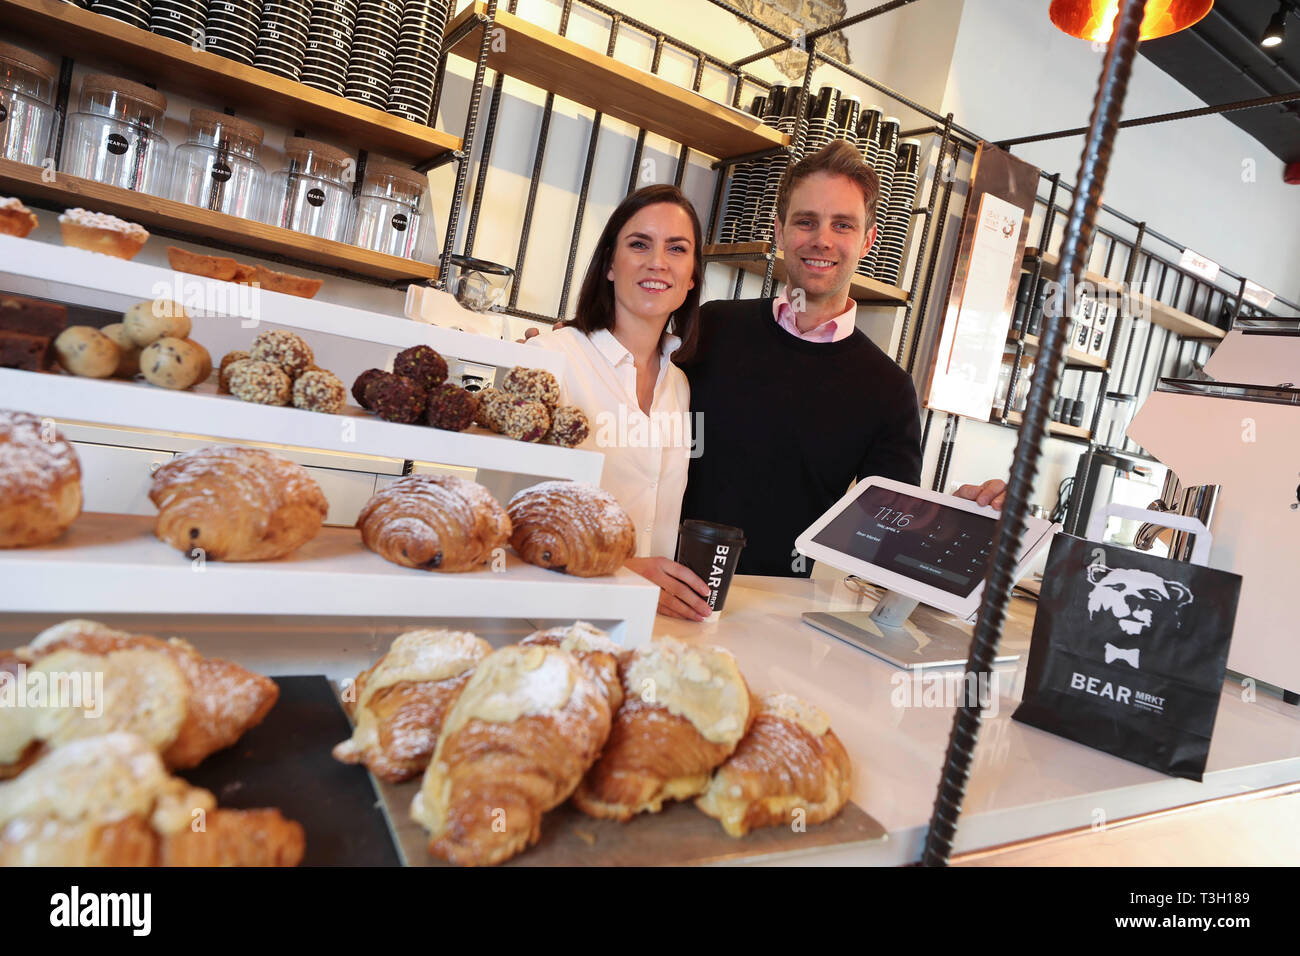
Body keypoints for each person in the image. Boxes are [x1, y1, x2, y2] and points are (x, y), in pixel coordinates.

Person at [680, 139, 1005, 578]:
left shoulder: (888, 390)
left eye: (843, 225)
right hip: (669, 582)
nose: (822, 240)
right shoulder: (713, 326)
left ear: (868, 240)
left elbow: (890, 535)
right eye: (806, 221)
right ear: (779, 231)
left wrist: (962, 519)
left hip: (779, 613)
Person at [526, 184, 715, 621]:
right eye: (639, 244)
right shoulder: (551, 360)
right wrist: (623, 569)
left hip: (641, 626)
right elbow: (509, 521)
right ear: (610, 263)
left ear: (691, 278)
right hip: (549, 621)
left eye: (676, 249)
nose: (657, 262)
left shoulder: (680, 385)